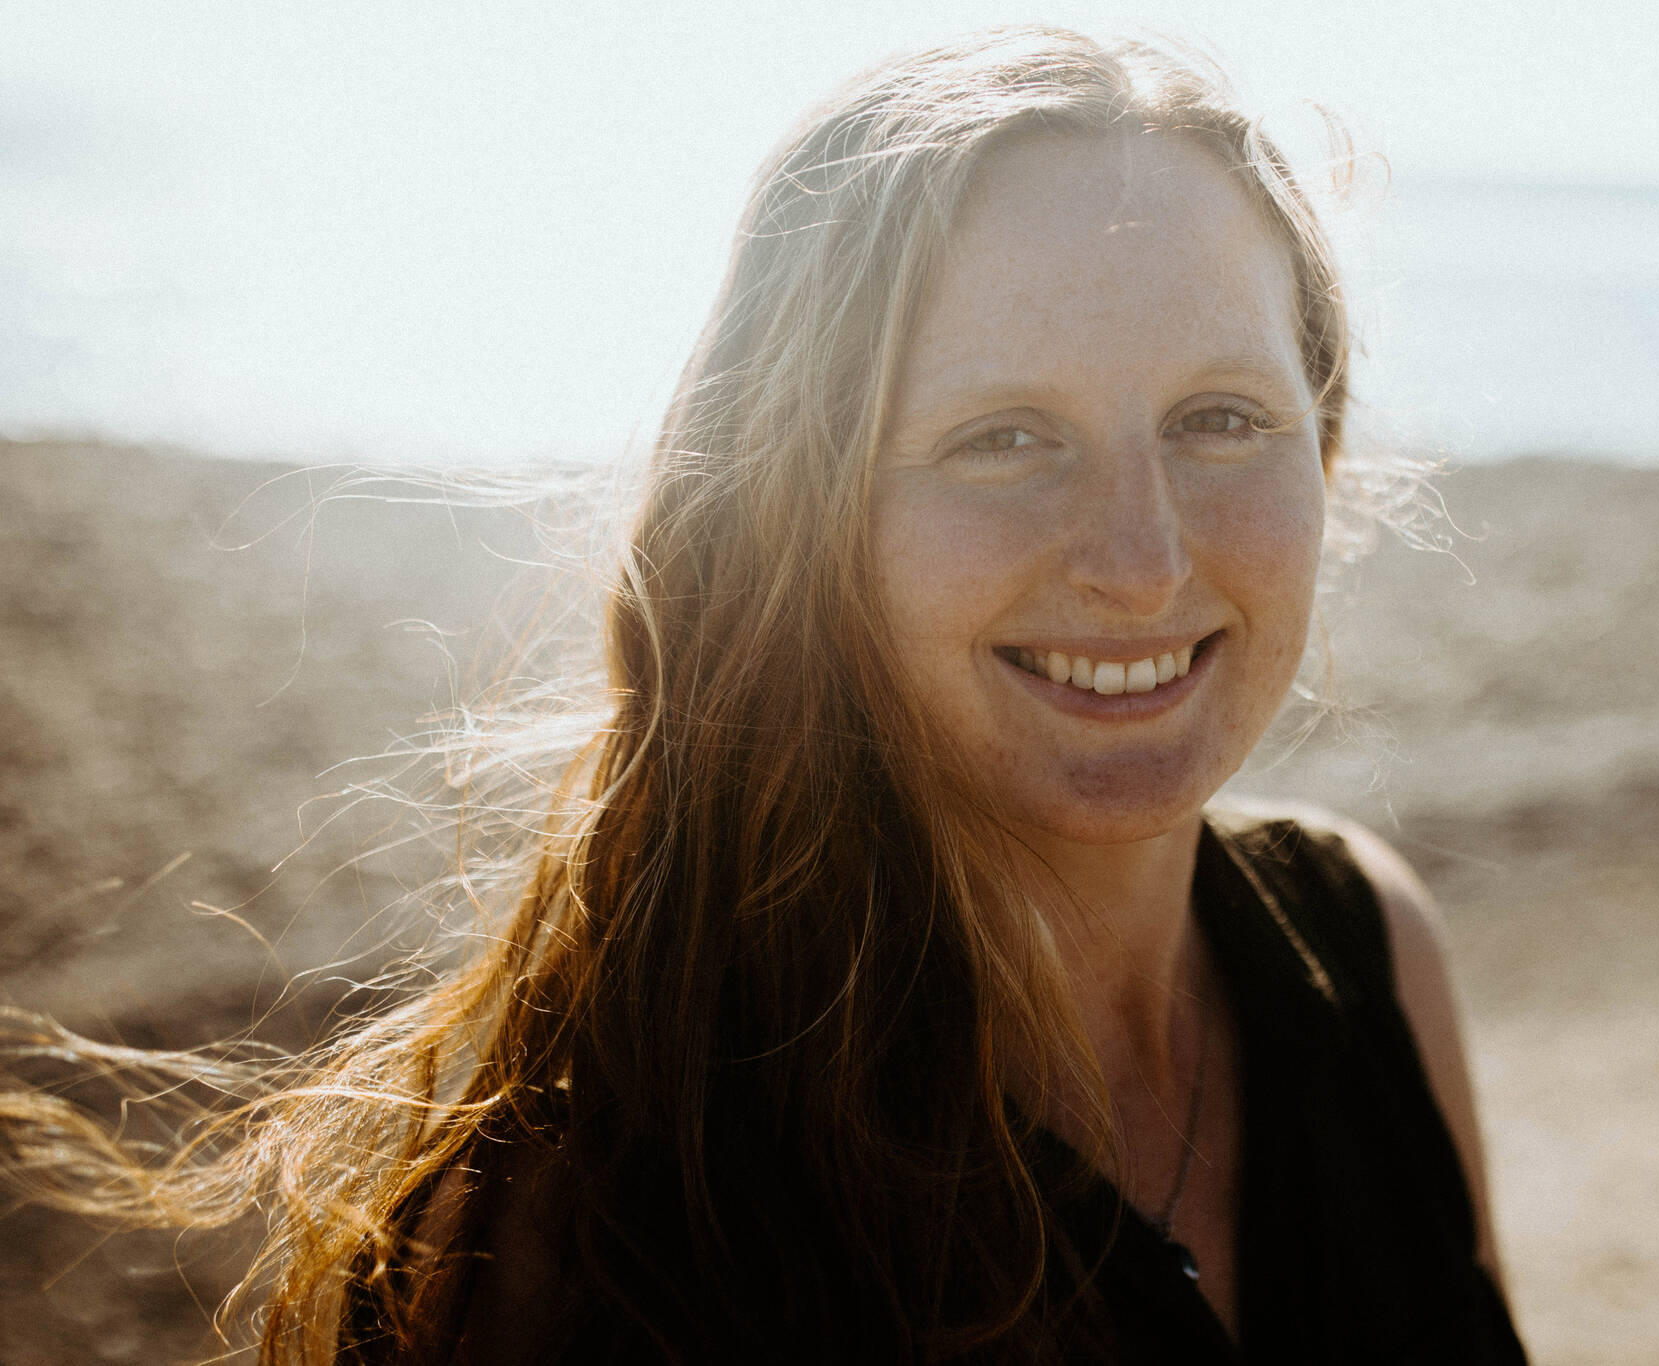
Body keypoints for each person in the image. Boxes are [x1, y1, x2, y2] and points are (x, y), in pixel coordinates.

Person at [3, 25, 1524, 1364]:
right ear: (805, 514)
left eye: (1220, 417)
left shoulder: (1370, 954)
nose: (1139, 558)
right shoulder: (604, 1207)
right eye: (1004, 437)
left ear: (1324, 451)